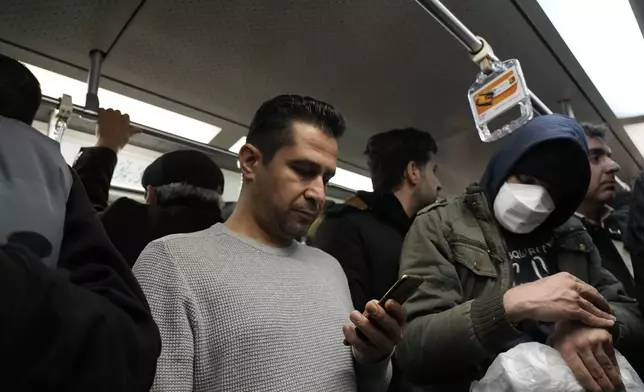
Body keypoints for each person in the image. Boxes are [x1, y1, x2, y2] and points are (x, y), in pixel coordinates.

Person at [133, 94, 406, 391]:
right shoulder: (171, 263)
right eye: (303, 171)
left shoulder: (330, 268)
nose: (319, 194)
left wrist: (374, 360)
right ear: (250, 161)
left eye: (325, 179)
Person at [397, 114, 644, 392]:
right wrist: (508, 307)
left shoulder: (571, 233)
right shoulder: (441, 225)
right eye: (527, 179)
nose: (537, 198)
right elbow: (413, 347)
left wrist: (595, 325)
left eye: (551, 191)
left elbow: (630, 312)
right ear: (505, 166)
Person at [0, 53, 160, 390]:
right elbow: (128, 342)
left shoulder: (127, 217)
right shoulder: (52, 175)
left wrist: (106, 148)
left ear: (153, 193)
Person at [73, 110, 225, 267]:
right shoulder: (235, 242)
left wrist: (106, 145)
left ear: (152, 195)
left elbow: (79, 223)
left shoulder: (132, 222)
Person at [314, 128, 441, 312]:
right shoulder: (345, 226)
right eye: (433, 171)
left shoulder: (416, 234)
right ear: (413, 171)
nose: (439, 184)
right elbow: (342, 319)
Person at [575, 123, 636, 298]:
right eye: (594, 157)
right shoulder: (555, 241)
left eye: (609, 156)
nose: (613, 166)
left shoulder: (627, 225)